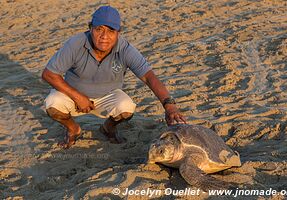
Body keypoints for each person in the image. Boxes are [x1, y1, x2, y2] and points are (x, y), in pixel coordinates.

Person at [42, 6, 186, 149]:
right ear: (90, 28)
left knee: (126, 108)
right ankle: (73, 129)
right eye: (99, 29)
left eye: (111, 30)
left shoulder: (125, 49)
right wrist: (78, 96)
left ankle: (108, 128)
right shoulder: (76, 43)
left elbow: (149, 77)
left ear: (118, 32)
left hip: (107, 96)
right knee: (52, 103)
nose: (104, 36)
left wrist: (170, 106)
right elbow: (49, 74)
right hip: (73, 96)